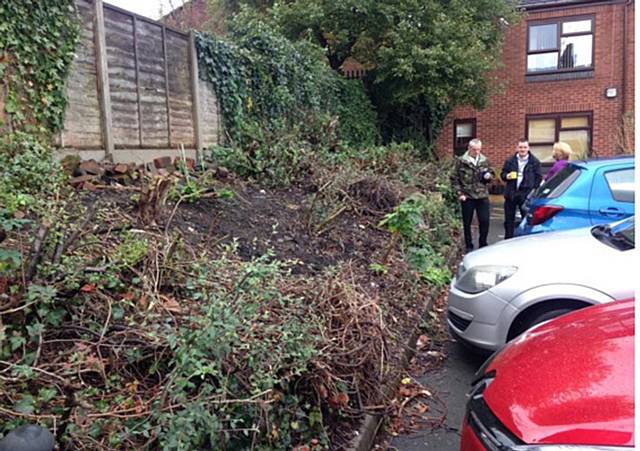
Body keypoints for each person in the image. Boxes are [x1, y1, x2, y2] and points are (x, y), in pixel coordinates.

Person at [451, 139, 495, 252]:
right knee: (467, 222)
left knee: (484, 221)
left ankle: (483, 244)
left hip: (482, 195)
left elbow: (492, 175)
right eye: (474, 150)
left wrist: (489, 177)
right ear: (469, 149)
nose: (477, 152)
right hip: (467, 196)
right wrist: (459, 193)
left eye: (479, 149)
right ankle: (469, 245)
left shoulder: (485, 160)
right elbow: (454, 178)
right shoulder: (461, 161)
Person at [501, 139, 542, 239]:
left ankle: (524, 241)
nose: (522, 149)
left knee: (526, 220)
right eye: (520, 147)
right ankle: (508, 241)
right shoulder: (510, 161)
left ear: (528, 148)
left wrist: (532, 190)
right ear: (517, 148)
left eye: (524, 147)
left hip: (526, 194)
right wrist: (507, 176)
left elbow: (538, 178)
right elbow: (502, 174)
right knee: (509, 220)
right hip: (511, 193)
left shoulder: (534, 162)